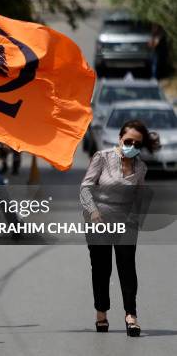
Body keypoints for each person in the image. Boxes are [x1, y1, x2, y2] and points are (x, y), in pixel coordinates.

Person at [80, 119, 159, 337]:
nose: (131, 146)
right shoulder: (102, 158)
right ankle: (101, 313)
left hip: (125, 221)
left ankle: (131, 315)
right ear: (119, 139)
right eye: (128, 141)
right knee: (101, 268)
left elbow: (141, 195)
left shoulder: (140, 167)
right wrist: (93, 212)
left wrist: (136, 219)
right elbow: (85, 188)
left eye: (137, 144)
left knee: (127, 268)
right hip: (99, 219)